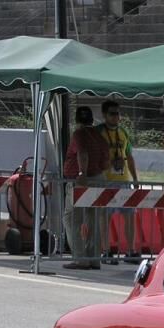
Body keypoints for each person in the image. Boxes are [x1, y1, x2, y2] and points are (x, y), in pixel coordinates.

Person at [62, 106, 109, 271]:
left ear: (76, 120)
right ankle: (94, 258)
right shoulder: (99, 136)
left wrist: (82, 173)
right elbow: (106, 160)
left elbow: (82, 153)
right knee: (93, 218)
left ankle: (80, 258)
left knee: (72, 218)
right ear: (91, 119)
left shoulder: (79, 134)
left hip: (82, 180)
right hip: (98, 178)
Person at [98, 100, 140, 265]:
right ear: (104, 115)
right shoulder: (99, 132)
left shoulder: (123, 132)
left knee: (129, 216)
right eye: (112, 113)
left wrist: (135, 178)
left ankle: (130, 251)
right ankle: (106, 251)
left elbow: (129, 156)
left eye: (118, 113)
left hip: (123, 181)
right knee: (105, 216)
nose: (116, 117)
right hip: (105, 181)